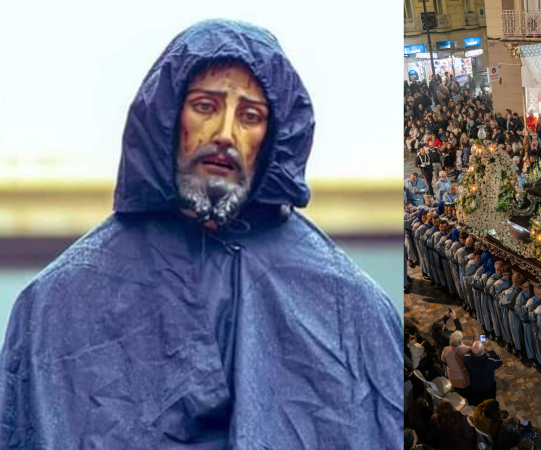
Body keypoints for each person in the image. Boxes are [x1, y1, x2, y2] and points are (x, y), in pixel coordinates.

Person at [0, 20, 403, 448]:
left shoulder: (349, 308)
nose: (225, 134)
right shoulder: (58, 304)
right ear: (168, 117)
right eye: (205, 106)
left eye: (250, 116)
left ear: (272, 137)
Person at [463, 339, 503, 404]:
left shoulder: (467, 360)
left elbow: (467, 354)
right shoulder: (489, 362)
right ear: (483, 350)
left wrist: (474, 350)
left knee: (479, 402)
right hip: (488, 386)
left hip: (475, 386)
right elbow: (499, 361)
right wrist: (491, 351)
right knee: (491, 402)